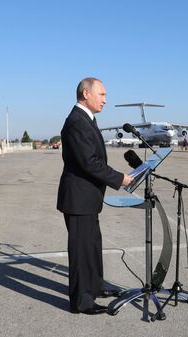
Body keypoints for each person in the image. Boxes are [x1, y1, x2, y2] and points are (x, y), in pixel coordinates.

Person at [57, 77, 133, 315]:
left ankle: (96, 286)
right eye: (102, 95)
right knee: (81, 252)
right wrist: (120, 178)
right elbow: (89, 162)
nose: (105, 100)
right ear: (86, 94)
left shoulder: (87, 119)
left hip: (88, 198)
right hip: (78, 199)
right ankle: (82, 301)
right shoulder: (76, 122)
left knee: (92, 246)